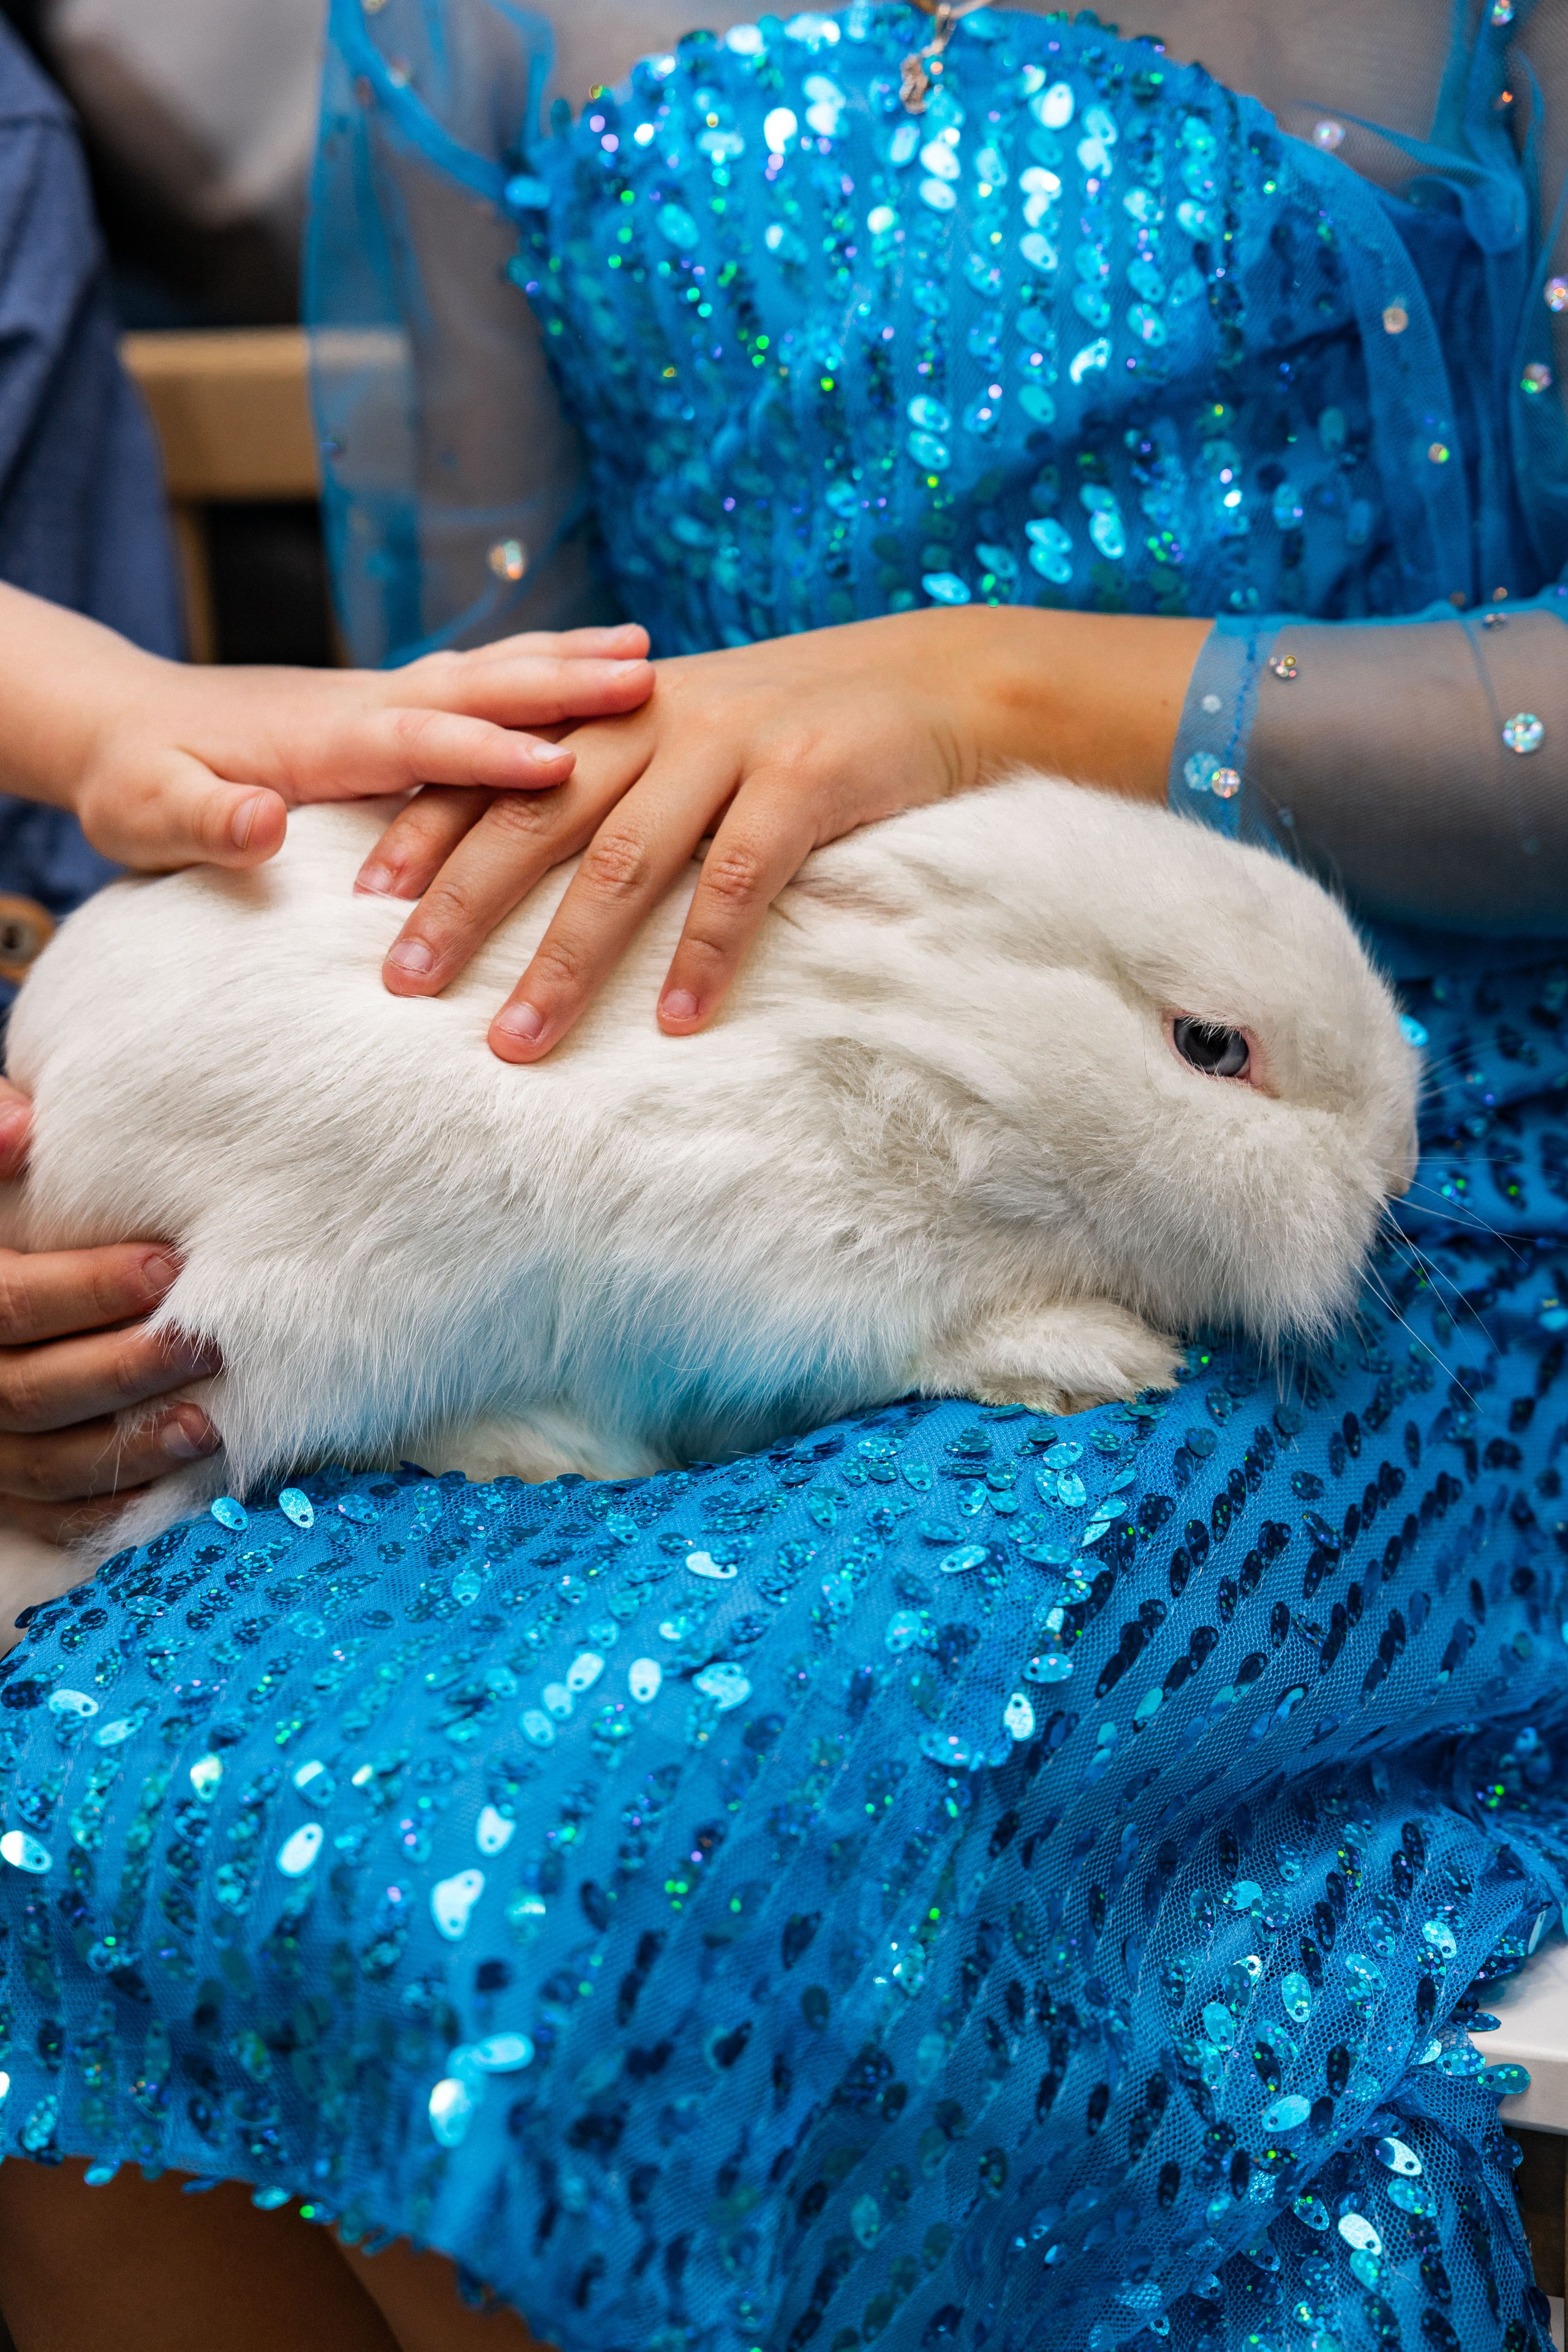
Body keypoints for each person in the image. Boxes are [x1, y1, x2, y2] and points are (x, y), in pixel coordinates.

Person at [1, 6, 1568, 2352]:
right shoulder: (474, 32)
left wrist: (987, 695)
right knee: (79, 1793)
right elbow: (497, 701)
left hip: (1365, 1165)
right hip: (752, 1073)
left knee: (628, 1849)